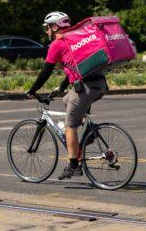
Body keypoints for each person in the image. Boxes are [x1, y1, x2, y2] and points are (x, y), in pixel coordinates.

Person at [26, 11, 107, 180]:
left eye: (48, 28)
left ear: (55, 27)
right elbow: (73, 67)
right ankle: (86, 135)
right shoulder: (73, 40)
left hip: (85, 88)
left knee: (70, 127)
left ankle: (73, 166)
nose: (47, 31)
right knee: (67, 100)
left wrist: (32, 90)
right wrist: (62, 87)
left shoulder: (57, 44)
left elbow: (46, 71)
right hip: (99, 84)